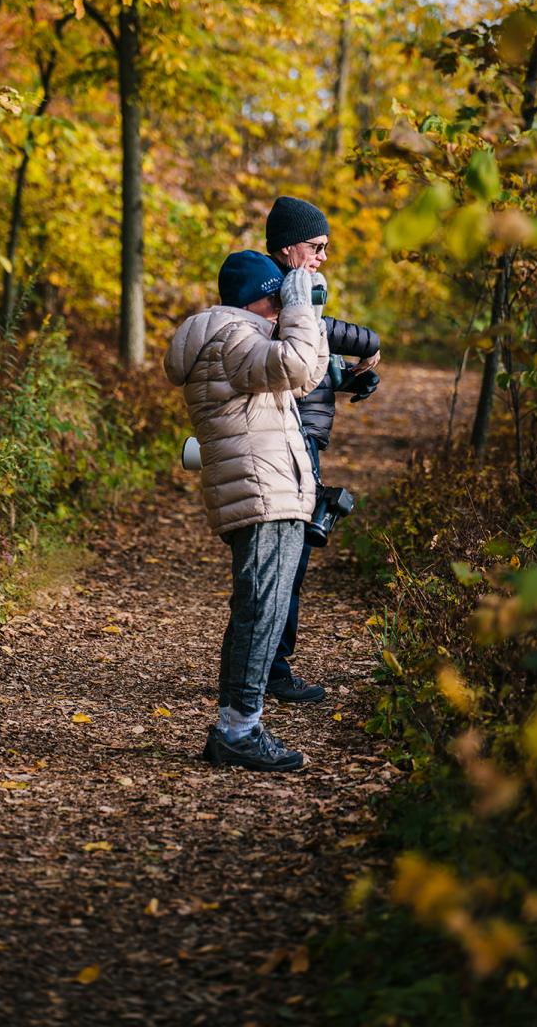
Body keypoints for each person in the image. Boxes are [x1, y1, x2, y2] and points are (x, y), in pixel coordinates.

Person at [164, 250, 329, 772]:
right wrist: (300, 313)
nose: (285, 306)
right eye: (279, 296)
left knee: (259, 608)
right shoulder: (233, 335)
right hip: (261, 489)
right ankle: (239, 728)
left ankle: (235, 725)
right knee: (261, 609)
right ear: (261, 295)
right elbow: (295, 363)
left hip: (266, 486)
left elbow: (304, 379)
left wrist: (312, 314)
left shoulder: (240, 337)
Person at [264, 195, 381, 704]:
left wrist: (353, 376)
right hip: (284, 442)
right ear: (290, 246)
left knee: (291, 558)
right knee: (285, 560)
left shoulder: (296, 290)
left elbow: (310, 355)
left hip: (302, 438)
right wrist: (367, 338)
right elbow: (298, 333)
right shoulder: (268, 288)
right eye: (317, 246)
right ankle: (270, 671)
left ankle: (269, 666)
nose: (323, 257)